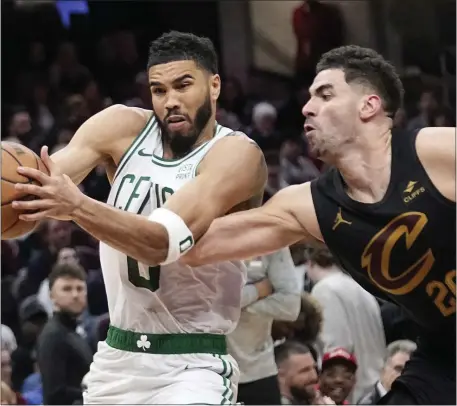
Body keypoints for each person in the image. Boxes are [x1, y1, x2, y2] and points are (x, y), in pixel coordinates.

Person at [184, 45, 456, 405]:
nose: (307, 107)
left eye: (325, 95)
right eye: (310, 96)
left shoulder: (437, 151)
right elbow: (189, 246)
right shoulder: (310, 204)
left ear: (368, 106)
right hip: (444, 353)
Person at [13, 31, 266, 404]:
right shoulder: (121, 127)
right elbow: (37, 185)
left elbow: (161, 243)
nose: (171, 101)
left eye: (183, 85)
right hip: (118, 355)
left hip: (191, 364)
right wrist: (17, 193)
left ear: (214, 86)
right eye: (159, 90)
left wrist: (78, 206)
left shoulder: (236, 156)